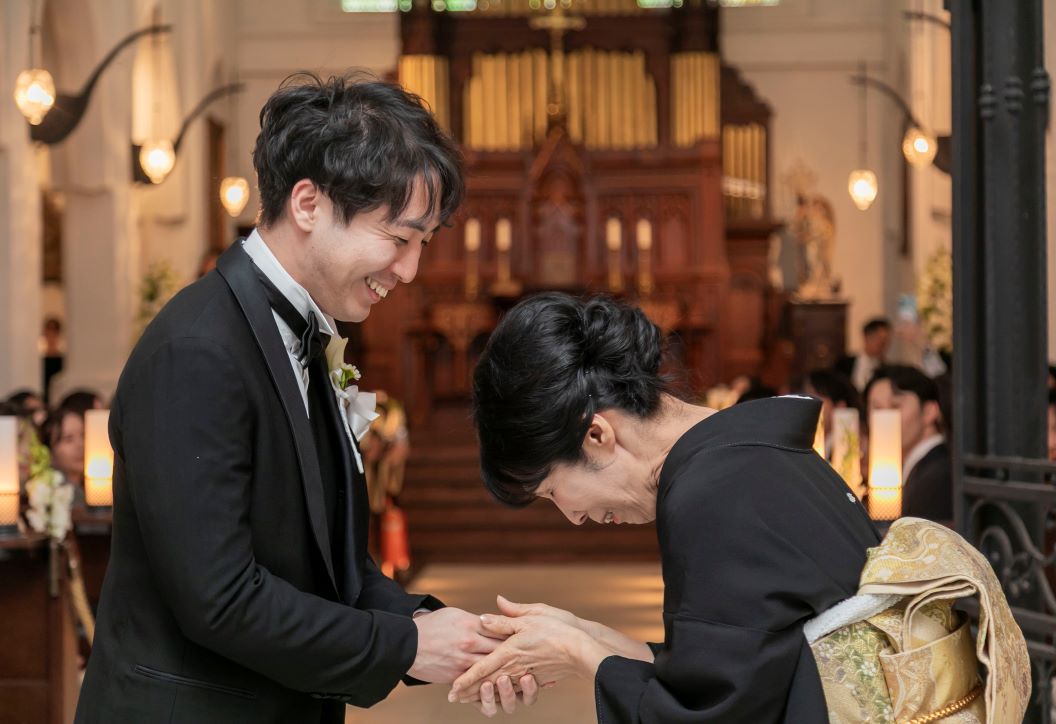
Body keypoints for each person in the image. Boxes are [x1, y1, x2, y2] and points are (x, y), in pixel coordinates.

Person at [76, 73, 532, 724]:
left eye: (423, 244)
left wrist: (444, 631)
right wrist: (405, 646)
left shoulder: (298, 333)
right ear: (309, 204)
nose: (409, 270)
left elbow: (327, 565)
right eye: (398, 239)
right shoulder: (198, 351)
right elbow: (220, 599)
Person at [455, 293, 880, 721]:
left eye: (551, 490)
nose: (574, 517)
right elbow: (723, 672)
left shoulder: (713, 494)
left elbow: (710, 714)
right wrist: (582, 633)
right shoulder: (740, 460)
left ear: (596, 436)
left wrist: (574, 651)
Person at [865, 365, 951, 523]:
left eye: (895, 406)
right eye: (876, 408)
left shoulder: (938, 475)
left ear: (929, 411)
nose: (884, 418)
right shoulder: (910, 470)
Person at [835, 316, 891, 392]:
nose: (883, 345)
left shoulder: (886, 369)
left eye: (886, 341)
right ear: (866, 337)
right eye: (880, 339)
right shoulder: (844, 363)